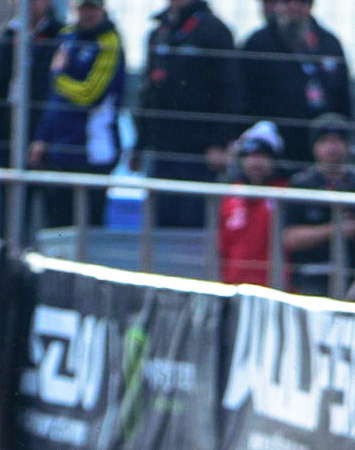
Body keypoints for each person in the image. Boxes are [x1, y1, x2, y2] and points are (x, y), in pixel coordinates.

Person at [135, 0, 240, 228]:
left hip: (198, 151)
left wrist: (219, 142)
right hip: (162, 147)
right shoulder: (158, 32)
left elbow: (228, 90)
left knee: (194, 221)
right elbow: (148, 94)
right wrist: (139, 145)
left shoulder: (215, 31)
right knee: (160, 221)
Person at [29, 0, 124, 229]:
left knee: (89, 225)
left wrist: (59, 76)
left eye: (92, 8)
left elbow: (91, 94)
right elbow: (51, 99)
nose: (87, 14)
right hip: (59, 151)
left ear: (102, 9)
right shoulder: (67, 36)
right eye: (83, 8)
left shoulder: (109, 41)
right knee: (56, 226)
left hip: (92, 152)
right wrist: (41, 137)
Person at [280, 115, 355, 304]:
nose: (332, 148)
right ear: (314, 147)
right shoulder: (301, 185)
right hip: (314, 282)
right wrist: (336, 230)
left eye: (338, 141)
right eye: (325, 141)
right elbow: (290, 238)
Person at [0, 0, 60, 233]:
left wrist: (46, 138)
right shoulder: (7, 37)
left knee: (50, 220)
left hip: (49, 147)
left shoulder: (60, 36)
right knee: (9, 216)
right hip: (11, 145)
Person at [238, 0, 351, 163]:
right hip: (270, 151)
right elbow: (243, 97)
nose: (295, 8)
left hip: (318, 151)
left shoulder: (329, 44)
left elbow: (343, 98)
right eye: (288, 2)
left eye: (301, 2)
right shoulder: (258, 43)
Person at [218, 122, 287, 286]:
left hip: (273, 286)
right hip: (234, 284)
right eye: (250, 156)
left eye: (262, 156)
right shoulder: (230, 194)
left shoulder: (285, 192)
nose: (256, 162)